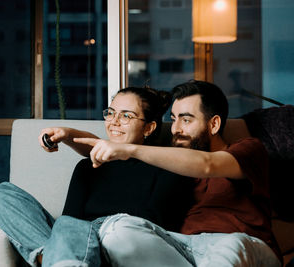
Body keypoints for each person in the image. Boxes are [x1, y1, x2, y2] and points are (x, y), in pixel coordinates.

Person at [73, 80, 282, 266]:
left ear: (214, 124)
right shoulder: (168, 164)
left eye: (186, 120)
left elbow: (208, 164)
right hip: (184, 249)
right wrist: (68, 135)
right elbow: (110, 151)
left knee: (232, 244)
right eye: (173, 119)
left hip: (242, 243)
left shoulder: (248, 149)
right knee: (119, 229)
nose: (175, 129)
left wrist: (130, 149)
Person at [0, 87, 194, 267]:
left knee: (70, 227)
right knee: (0, 195)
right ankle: (50, 256)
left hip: (118, 245)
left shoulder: (167, 165)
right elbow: (69, 221)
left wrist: (93, 231)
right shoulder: (88, 165)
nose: (114, 122)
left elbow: (153, 226)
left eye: (126, 115)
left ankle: (55, 258)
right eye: (111, 113)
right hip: (76, 243)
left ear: (149, 128)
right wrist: (72, 239)